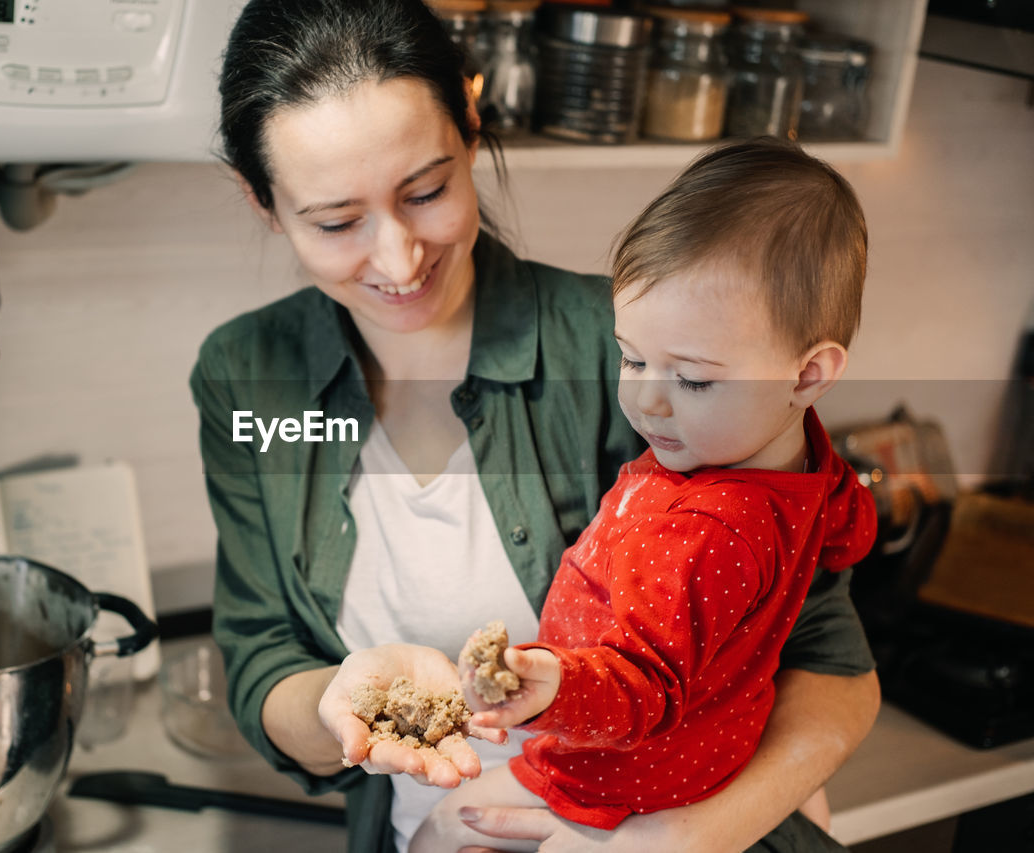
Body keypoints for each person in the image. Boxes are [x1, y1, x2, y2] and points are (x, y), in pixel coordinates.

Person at [190, 1, 880, 851]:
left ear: (473, 126)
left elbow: (833, 663)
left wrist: (681, 837)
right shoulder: (249, 378)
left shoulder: (639, 357)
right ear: (262, 200)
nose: (401, 258)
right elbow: (263, 656)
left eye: (428, 190)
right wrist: (340, 699)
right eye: (336, 222)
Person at [410, 138, 877, 852]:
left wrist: (553, 685)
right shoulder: (801, 455)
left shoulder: (705, 532)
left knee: (436, 837)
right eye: (630, 356)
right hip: (709, 754)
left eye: (692, 377)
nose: (646, 401)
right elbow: (848, 523)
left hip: (622, 777)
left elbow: (642, 686)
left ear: (809, 372)